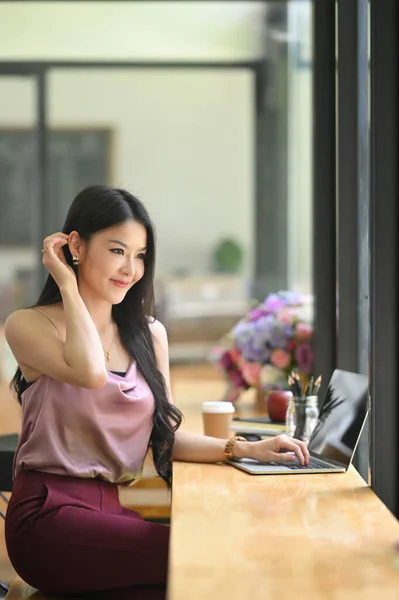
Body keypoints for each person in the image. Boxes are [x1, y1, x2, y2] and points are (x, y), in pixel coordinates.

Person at [4, 186, 310, 599]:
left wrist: (247, 448)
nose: (130, 268)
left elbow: (163, 438)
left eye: (140, 255)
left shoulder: (149, 335)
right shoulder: (28, 325)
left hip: (109, 509)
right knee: (201, 558)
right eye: (117, 251)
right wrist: (68, 285)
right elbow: (91, 372)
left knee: (190, 573)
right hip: (46, 517)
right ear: (75, 245)